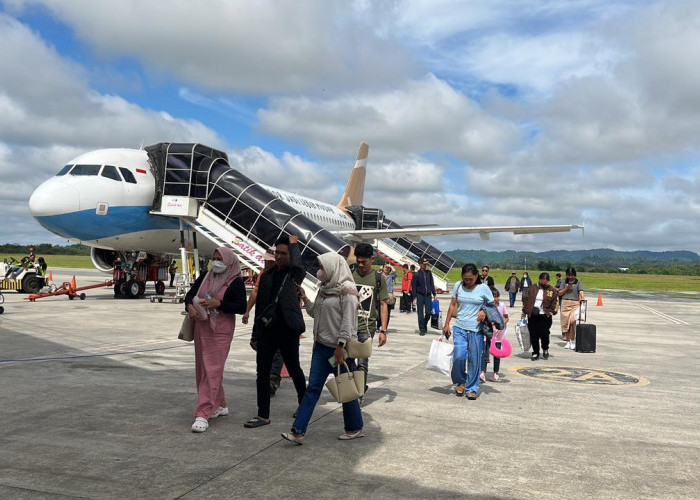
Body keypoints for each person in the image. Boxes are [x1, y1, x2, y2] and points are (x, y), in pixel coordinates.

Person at [281, 252, 364, 444]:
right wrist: (307, 300)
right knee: (313, 389)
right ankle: (298, 431)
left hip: (339, 349)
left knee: (347, 389)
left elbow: (348, 321)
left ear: (333, 267)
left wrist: (341, 345)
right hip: (321, 347)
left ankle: (355, 427)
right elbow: (316, 314)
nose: (319, 272)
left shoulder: (347, 290)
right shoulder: (325, 289)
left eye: (322, 267)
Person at [246, 235, 307, 428]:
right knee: (262, 373)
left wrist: (295, 245)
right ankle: (263, 414)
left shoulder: (293, 275)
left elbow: (299, 266)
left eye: (284, 253)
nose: (279, 257)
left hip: (288, 331)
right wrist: (255, 334)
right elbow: (261, 307)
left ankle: (304, 406)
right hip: (267, 332)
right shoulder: (267, 276)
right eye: (277, 253)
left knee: (295, 369)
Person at [184, 248, 247, 433]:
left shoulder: (235, 281)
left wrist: (219, 304)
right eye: (214, 258)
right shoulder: (206, 275)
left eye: (220, 259)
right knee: (203, 368)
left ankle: (203, 413)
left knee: (212, 369)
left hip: (220, 331)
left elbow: (241, 306)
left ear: (229, 262)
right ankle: (221, 404)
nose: (216, 262)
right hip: (201, 328)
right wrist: (190, 307)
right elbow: (190, 295)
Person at [441, 263, 494, 400]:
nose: (468, 282)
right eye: (465, 279)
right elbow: (453, 305)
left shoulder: (483, 288)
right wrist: (446, 324)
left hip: (476, 330)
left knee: (474, 360)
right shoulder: (458, 286)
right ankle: (460, 381)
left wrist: (483, 311)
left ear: (476, 276)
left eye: (470, 279)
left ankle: (472, 388)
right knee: (459, 356)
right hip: (459, 328)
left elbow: (492, 305)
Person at [242, 248, 285, 396]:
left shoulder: (286, 275)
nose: (265, 262)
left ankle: (273, 378)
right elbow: (255, 292)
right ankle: (264, 375)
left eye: (268, 260)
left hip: (279, 320)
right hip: (263, 318)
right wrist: (247, 311)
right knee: (261, 346)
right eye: (265, 260)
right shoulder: (263, 274)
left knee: (279, 349)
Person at [351, 243, 388, 396]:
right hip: (348, 326)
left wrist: (383, 330)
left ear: (372, 259)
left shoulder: (379, 279)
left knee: (362, 363)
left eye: (364, 262)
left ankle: (359, 394)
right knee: (346, 361)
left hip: (367, 328)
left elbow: (383, 303)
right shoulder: (350, 275)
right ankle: (356, 386)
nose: (361, 265)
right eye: (358, 261)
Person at [522, 272, 558, 361]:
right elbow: (526, 300)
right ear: (539, 279)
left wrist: (551, 311)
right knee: (534, 335)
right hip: (533, 315)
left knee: (544, 334)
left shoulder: (552, 290)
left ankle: (545, 348)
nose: (544, 282)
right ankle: (535, 352)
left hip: (545, 316)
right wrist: (524, 311)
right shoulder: (532, 288)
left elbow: (555, 303)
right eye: (542, 280)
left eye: (546, 281)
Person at [481, 288, 508, 382]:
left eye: (498, 296)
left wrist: (502, 324)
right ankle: (483, 373)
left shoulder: (502, 305)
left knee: (497, 354)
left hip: (498, 335)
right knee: (484, 353)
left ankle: (496, 373)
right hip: (488, 333)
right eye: (494, 296)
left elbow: (506, 317)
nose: (497, 298)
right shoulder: (486, 307)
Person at [557, 267, 586, 350]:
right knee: (565, 324)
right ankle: (568, 341)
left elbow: (581, 292)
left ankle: (573, 341)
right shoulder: (563, 282)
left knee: (572, 322)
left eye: (572, 275)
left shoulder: (578, 283)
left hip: (575, 304)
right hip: (565, 304)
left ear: (575, 275)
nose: (570, 277)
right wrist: (566, 288)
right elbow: (559, 293)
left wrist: (582, 299)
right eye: (568, 275)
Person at [412, 258, 436, 335]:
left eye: (426, 264)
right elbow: (414, 286)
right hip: (420, 295)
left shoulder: (429, 273)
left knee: (428, 312)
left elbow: (431, 283)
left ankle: (424, 323)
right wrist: (414, 297)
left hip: (428, 295)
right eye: (424, 264)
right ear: (420, 264)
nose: (425, 265)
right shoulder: (416, 274)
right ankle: (422, 329)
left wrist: (434, 294)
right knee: (420, 313)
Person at [378, 264, 397, 329]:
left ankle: (385, 326)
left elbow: (395, 273)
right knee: (379, 311)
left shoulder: (391, 276)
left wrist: (391, 266)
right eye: (385, 267)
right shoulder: (379, 275)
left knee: (387, 312)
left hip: (388, 295)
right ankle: (378, 325)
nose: (387, 269)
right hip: (380, 294)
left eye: (388, 268)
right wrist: (380, 269)